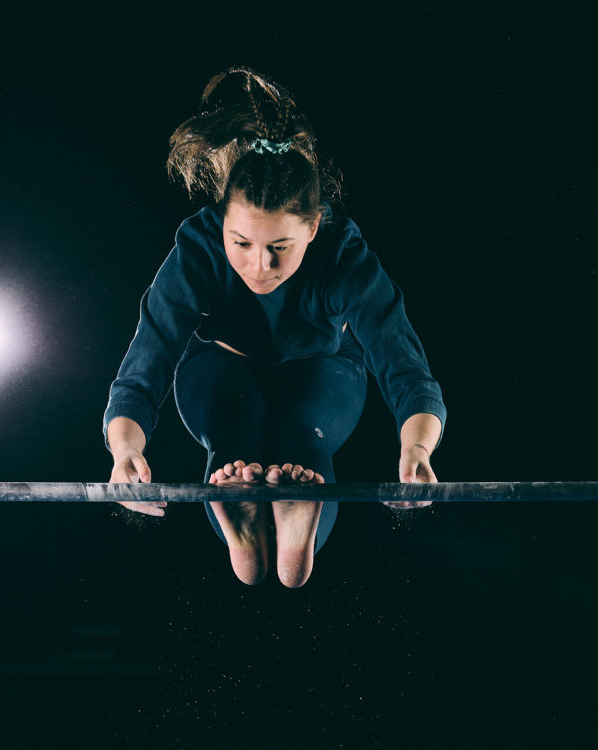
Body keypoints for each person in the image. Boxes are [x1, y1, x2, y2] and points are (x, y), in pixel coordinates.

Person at [103, 67, 447, 588]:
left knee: (301, 440)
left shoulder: (342, 253)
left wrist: (416, 449)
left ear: (312, 227)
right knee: (233, 443)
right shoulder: (196, 248)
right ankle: (241, 522)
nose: (258, 266)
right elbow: (146, 363)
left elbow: (403, 364)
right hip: (218, 367)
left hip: (324, 369)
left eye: (278, 248)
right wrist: (125, 449)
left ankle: (296, 524)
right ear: (222, 224)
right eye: (240, 243)